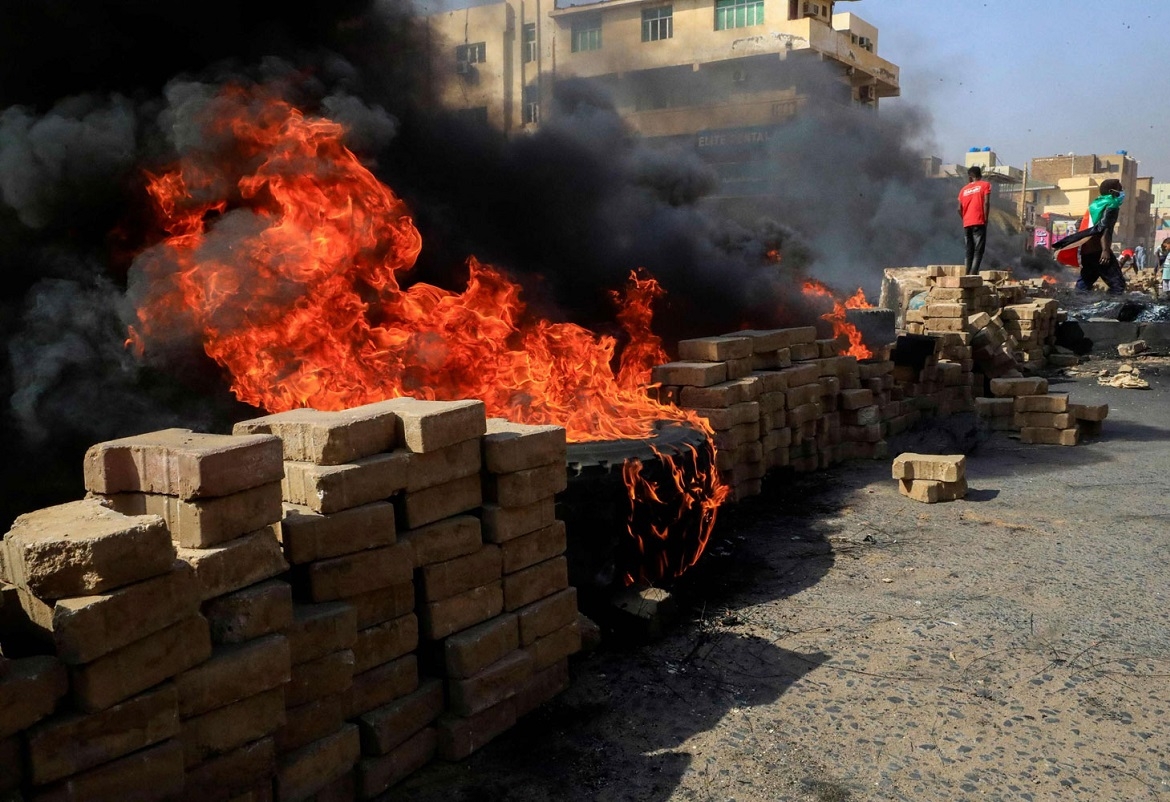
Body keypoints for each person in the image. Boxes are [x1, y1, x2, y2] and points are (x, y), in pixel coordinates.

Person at [1050, 178, 1127, 294]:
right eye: (1120, 189)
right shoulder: (1112, 204)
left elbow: (1081, 224)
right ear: (1112, 192)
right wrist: (1105, 250)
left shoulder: (1095, 204)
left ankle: (1076, 304)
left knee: (1085, 283)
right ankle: (1110, 309)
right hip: (1099, 251)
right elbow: (1105, 228)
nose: (1122, 192)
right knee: (1118, 285)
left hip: (1087, 252)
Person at [957, 166, 992, 275]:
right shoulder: (985, 185)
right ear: (980, 175)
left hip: (967, 223)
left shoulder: (963, 190)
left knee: (969, 250)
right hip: (979, 221)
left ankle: (966, 274)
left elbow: (959, 209)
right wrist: (985, 219)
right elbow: (986, 203)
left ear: (970, 177)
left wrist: (965, 219)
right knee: (978, 249)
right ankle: (973, 274)